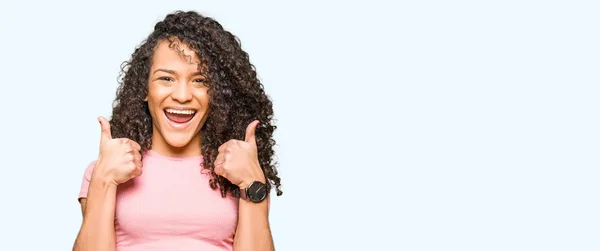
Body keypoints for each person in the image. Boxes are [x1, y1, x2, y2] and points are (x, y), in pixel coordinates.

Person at [72, 10, 283, 251]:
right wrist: (104, 179)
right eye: (166, 79)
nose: (182, 96)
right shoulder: (105, 171)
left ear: (219, 94)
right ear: (144, 89)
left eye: (200, 81)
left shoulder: (241, 172)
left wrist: (251, 182)